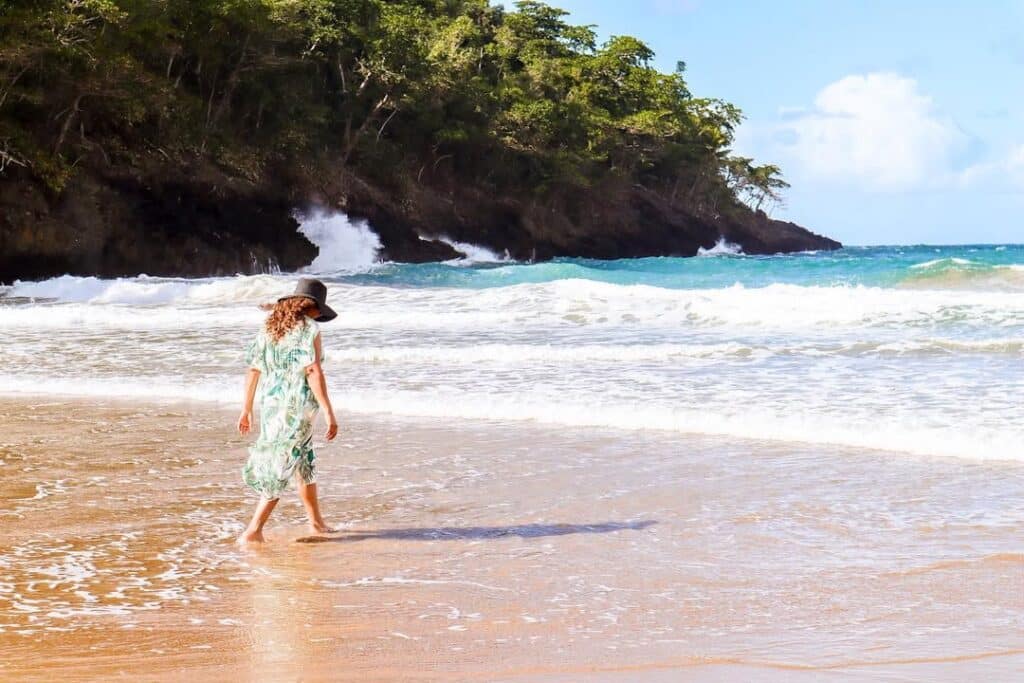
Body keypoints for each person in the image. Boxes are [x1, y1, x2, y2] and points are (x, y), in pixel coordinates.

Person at [236, 278, 339, 543]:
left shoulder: (270, 328)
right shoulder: (309, 330)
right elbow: (313, 370)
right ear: (312, 307)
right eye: (319, 310)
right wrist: (328, 411)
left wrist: (246, 409)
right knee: (282, 464)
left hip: (270, 406)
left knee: (303, 463)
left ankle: (316, 523)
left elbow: (253, 369)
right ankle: (254, 529)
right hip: (297, 407)